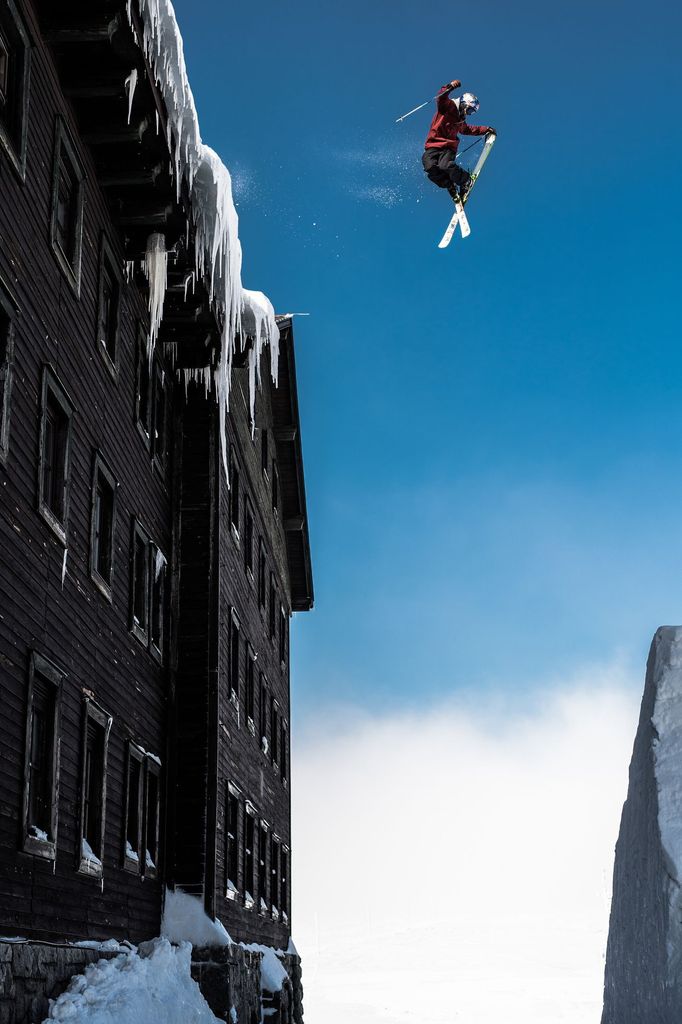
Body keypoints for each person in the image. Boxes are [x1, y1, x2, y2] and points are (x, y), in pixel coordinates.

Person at [422, 79, 495, 199]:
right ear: (464, 103)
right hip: (433, 145)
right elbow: (441, 97)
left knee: (445, 165)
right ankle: (449, 185)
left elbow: (468, 130)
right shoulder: (447, 106)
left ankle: (466, 180)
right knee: (429, 166)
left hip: (448, 148)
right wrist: (450, 86)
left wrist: (486, 129)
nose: (468, 114)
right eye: (470, 110)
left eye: (472, 112)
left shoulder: (460, 120)